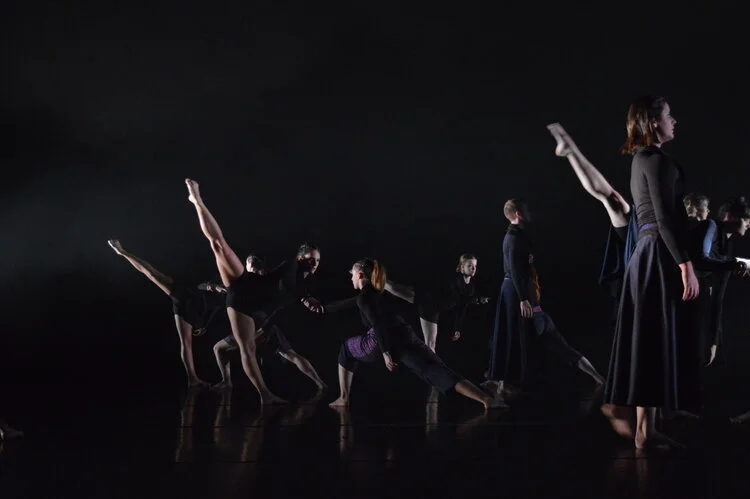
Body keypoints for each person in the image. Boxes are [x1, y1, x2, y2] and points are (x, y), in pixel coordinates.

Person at [603, 95, 700, 450]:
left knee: (651, 338)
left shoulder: (640, 159)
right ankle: (645, 431)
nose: (674, 121)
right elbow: (664, 218)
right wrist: (685, 265)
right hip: (658, 254)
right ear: (653, 121)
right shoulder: (656, 160)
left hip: (647, 254)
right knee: (655, 338)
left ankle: (647, 430)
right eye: (669, 115)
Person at [310, 258, 505, 411]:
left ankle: (344, 398)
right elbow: (348, 303)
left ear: (360, 275)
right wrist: (323, 308)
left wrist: (386, 353)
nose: (351, 278)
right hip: (403, 333)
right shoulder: (374, 292)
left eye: (352, 275)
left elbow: (377, 325)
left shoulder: (364, 297)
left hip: (380, 341)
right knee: (437, 370)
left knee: (345, 349)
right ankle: (486, 399)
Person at [484, 199, 605, 398]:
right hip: (519, 297)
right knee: (514, 337)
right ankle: (501, 382)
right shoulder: (513, 238)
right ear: (518, 214)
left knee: (546, 340)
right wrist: (523, 298)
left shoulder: (519, 237)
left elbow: (521, 270)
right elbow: (514, 269)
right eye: (526, 210)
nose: (531, 212)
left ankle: (598, 378)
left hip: (529, 302)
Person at [185, 178, 286, 404]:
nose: (250, 264)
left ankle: (265, 395)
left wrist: (266, 327)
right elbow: (206, 286)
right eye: (249, 262)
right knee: (218, 244)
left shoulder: (268, 278)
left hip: (250, 309)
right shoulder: (242, 274)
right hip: (237, 292)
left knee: (247, 349)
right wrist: (214, 287)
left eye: (253, 263)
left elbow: (276, 302)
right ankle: (197, 201)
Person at [107, 239, 226, 387]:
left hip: (196, 311)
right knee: (152, 274)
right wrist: (213, 287)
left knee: (186, 343)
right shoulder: (221, 277)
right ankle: (122, 252)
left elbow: (216, 309)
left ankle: (193, 380)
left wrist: (205, 324)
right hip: (186, 295)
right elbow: (201, 286)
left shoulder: (230, 292)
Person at [212, 253, 327, 391]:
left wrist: (263, 328)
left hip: (256, 323)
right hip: (267, 323)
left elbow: (278, 304)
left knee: (219, 349)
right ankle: (320, 384)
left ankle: (228, 382)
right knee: (291, 355)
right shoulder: (266, 281)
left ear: (250, 266)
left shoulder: (254, 281)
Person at [688, 197, 750, 366]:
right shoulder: (711, 226)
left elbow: (718, 297)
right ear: (729, 216)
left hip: (695, 303)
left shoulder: (727, 250)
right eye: (745, 219)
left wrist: (713, 341)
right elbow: (700, 259)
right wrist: (732, 264)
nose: (748, 224)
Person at [384, 253, 490, 353]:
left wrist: (457, 329)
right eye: (470, 265)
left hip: (432, 311)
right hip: (426, 300)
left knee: (430, 346)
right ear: (462, 267)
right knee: (394, 288)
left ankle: (429, 366)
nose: (473, 268)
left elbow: (462, 307)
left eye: (475, 266)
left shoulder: (470, 289)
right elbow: (456, 293)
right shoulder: (455, 279)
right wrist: (474, 299)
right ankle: (375, 276)